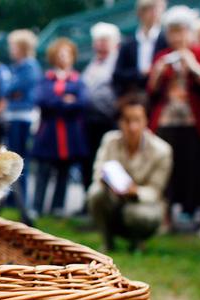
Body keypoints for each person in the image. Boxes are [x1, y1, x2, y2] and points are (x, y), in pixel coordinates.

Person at [147, 6, 200, 235]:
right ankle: (166, 217)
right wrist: (159, 73)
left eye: (182, 31)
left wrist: (194, 68)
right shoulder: (162, 56)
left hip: (197, 123)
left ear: (191, 32)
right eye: (172, 32)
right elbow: (151, 91)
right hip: (167, 122)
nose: (178, 37)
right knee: (169, 171)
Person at [88, 92, 172, 251]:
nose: (132, 127)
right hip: (113, 198)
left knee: (137, 214)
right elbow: (98, 170)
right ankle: (107, 241)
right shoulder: (110, 141)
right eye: (127, 120)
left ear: (146, 120)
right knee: (95, 193)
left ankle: (137, 241)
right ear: (119, 121)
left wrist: (136, 191)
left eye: (137, 120)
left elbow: (156, 189)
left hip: (143, 204)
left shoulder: (162, 150)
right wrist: (106, 181)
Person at [31, 38, 89, 216]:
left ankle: (57, 207)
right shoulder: (46, 79)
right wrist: (66, 100)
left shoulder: (77, 80)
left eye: (67, 54)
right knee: (44, 171)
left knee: (64, 171)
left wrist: (59, 102)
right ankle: (37, 207)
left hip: (70, 135)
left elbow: (83, 102)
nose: (63, 58)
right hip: (49, 134)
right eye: (60, 54)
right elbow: (43, 100)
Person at [5, 29, 42, 208]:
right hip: (13, 117)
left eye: (13, 46)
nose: (10, 49)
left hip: (24, 119)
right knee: (13, 158)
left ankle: (23, 201)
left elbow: (13, 88)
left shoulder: (30, 66)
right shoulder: (17, 68)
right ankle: (13, 199)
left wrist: (12, 92)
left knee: (21, 161)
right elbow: (8, 90)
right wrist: (12, 92)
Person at [82, 22, 121, 190]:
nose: (101, 44)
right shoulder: (92, 64)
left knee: (107, 159)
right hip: (89, 120)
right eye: (98, 40)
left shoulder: (117, 62)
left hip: (109, 119)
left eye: (105, 40)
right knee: (88, 159)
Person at [112, 0, 167, 96]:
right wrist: (140, 73)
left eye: (157, 9)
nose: (154, 13)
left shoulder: (166, 39)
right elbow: (117, 75)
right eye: (149, 9)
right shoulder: (128, 43)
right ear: (140, 13)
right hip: (135, 95)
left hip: (161, 94)